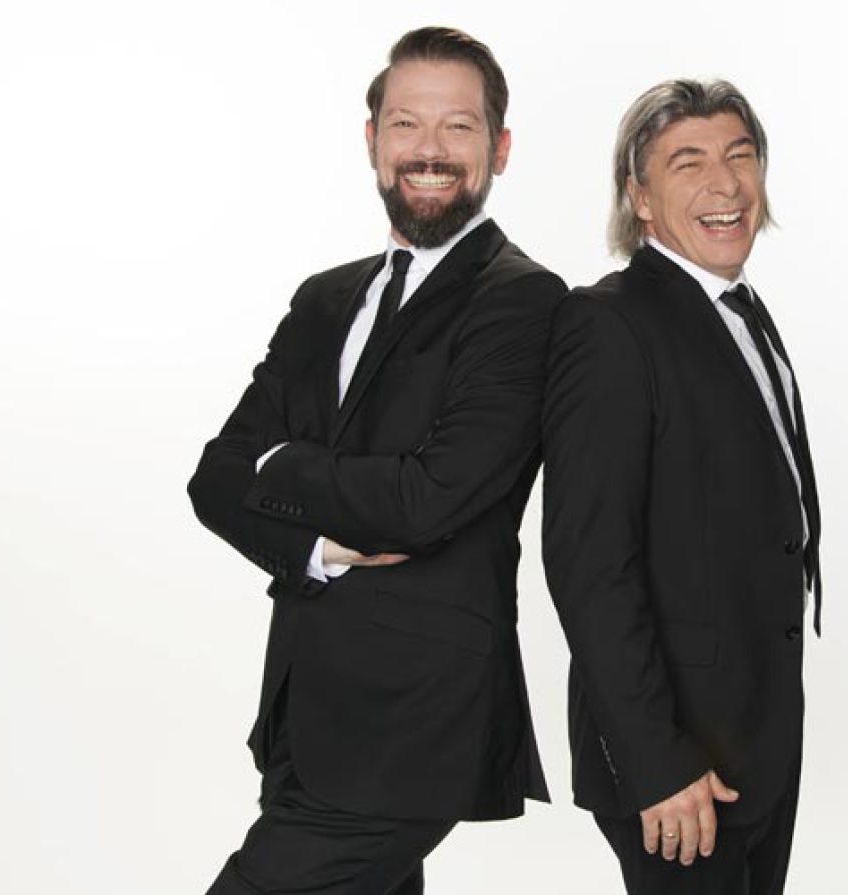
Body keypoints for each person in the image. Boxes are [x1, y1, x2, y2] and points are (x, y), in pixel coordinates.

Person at [187, 26, 564, 895]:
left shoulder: (523, 300)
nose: (429, 150)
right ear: (372, 140)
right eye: (405, 124)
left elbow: (426, 500)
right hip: (301, 713)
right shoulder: (326, 298)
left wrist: (282, 461)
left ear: (500, 148)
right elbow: (214, 478)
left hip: (414, 722)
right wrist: (315, 548)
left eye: (458, 127)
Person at [542, 78, 822, 895]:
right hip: (676, 763)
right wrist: (656, 760)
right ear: (639, 196)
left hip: (757, 739)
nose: (725, 184)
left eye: (740, 155)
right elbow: (589, 564)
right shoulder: (610, 324)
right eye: (688, 162)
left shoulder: (737, 307)